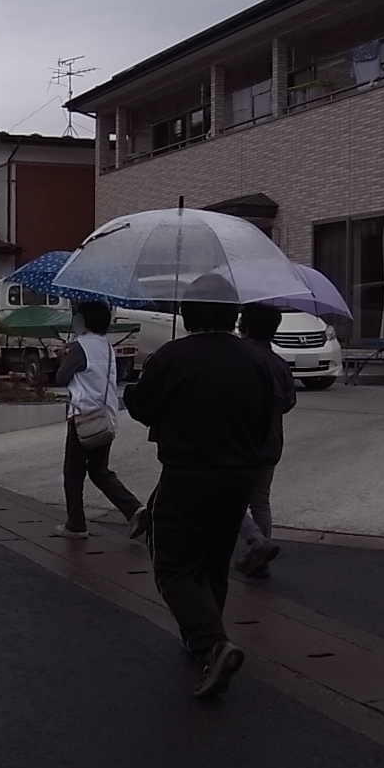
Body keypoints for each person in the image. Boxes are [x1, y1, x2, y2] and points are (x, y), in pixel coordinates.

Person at [123, 274, 273, 699]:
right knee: (213, 563)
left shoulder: (173, 356)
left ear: (188, 313)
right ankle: (203, 640)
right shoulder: (256, 359)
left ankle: (212, 643)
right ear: (233, 313)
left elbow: (142, 406)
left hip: (187, 474)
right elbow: (267, 417)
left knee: (174, 566)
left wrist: (142, 387)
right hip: (239, 477)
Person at [53, 300, 147, 540]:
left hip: (83, 418)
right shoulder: (107, 346)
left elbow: (61, 377)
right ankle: (134, 510)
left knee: (73, 473)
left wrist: (64, 356)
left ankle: (76, 525)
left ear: (84, 322)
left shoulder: (80, 346)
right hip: (105, 417)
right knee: (98, 470)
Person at [234, 302, 297, 578]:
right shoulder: (279, 363)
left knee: (229, 499)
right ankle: (260, 557)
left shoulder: (239, 357)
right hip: (271, 441)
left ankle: (258, 543)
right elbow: (288, 402)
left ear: (245, 327)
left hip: (240, 442)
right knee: (260, 500)